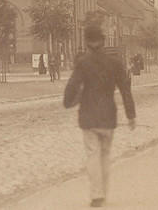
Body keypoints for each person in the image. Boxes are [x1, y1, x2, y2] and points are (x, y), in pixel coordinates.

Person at [64, 25, 136, 208]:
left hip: (88, 116)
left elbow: (72, 85)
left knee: (92, 154)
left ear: (87, 43)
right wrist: (131, 115)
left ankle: (96, 195)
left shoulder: (83, 63)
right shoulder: (114, 63)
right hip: (107, 116)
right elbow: (125, 89)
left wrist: (67, 101)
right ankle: (103, 192)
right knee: (104, 155)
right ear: (103, 42)